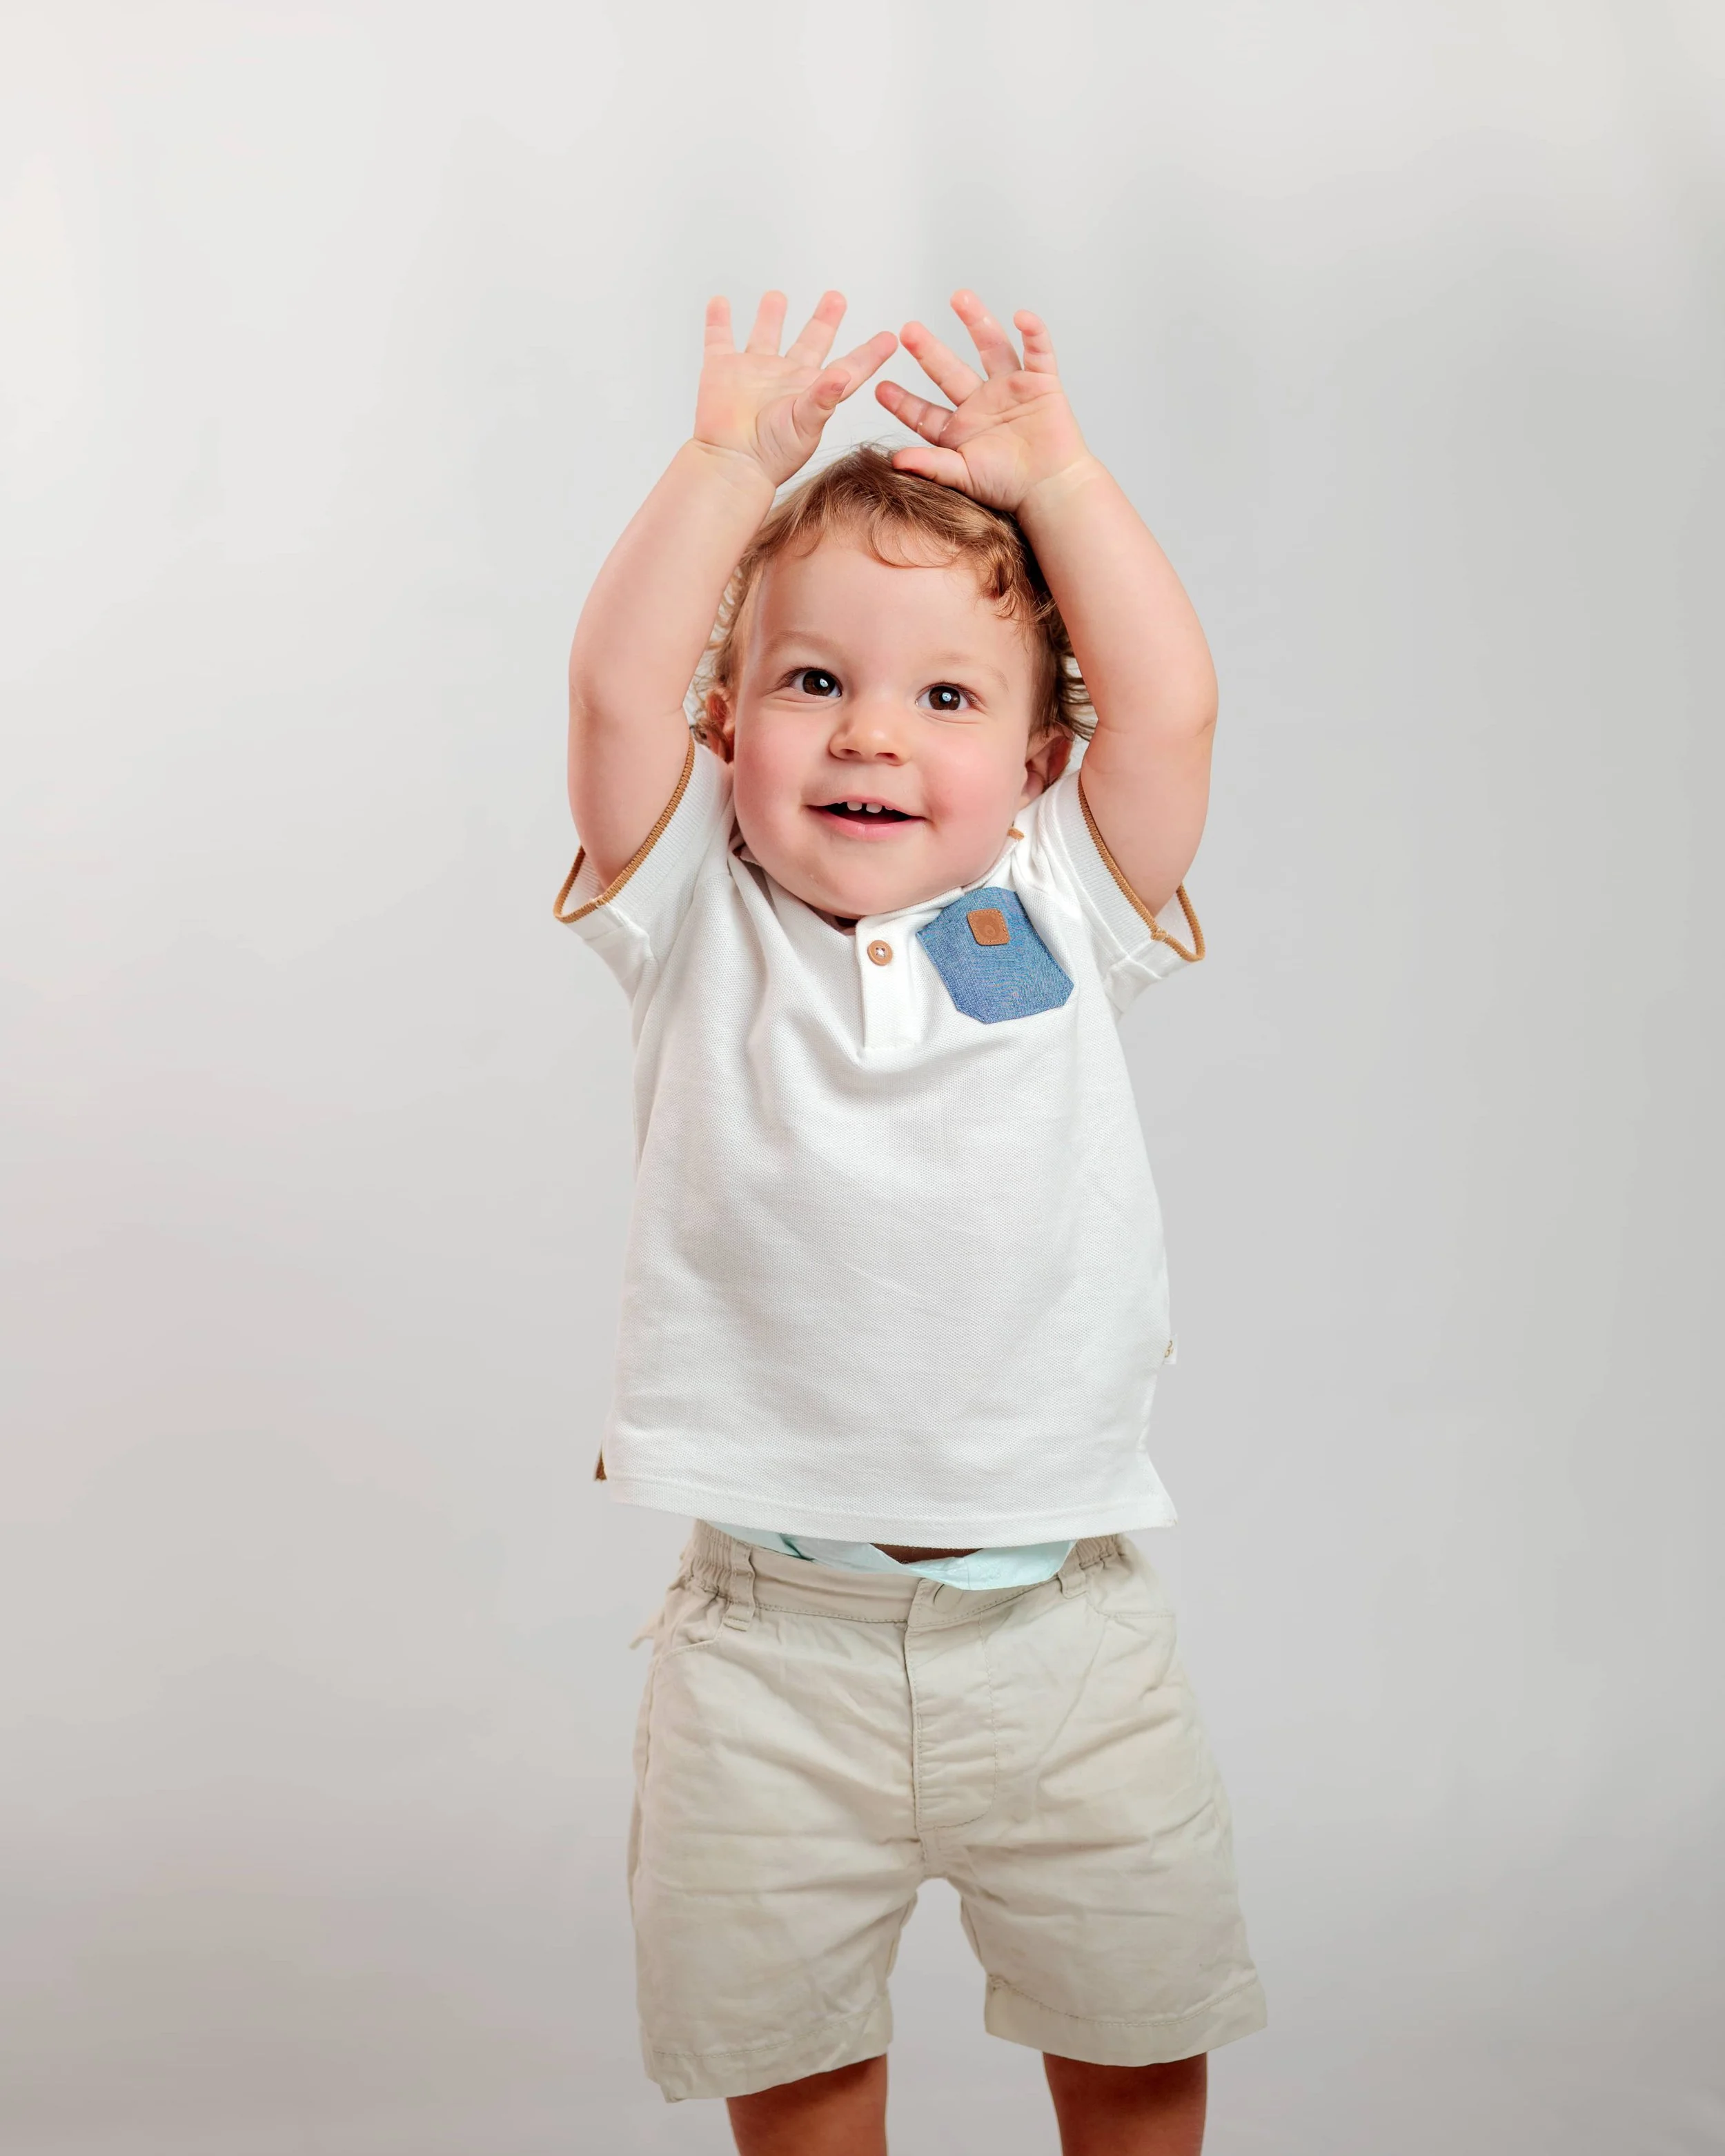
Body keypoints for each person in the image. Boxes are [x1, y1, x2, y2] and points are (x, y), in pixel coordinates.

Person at [557, 285, 1265, 2155]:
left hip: (1059, 1634)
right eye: (812, 681)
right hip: (765, 1641)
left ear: (1038, 762)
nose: (872, 732)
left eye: (946, 694)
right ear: (731, 724)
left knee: (1132, 2046)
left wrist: (1064, 480)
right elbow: (613, 689)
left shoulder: (1064, 899)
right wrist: (724, 470)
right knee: (792, 2068)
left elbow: (1172, 703)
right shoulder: (690, 911)